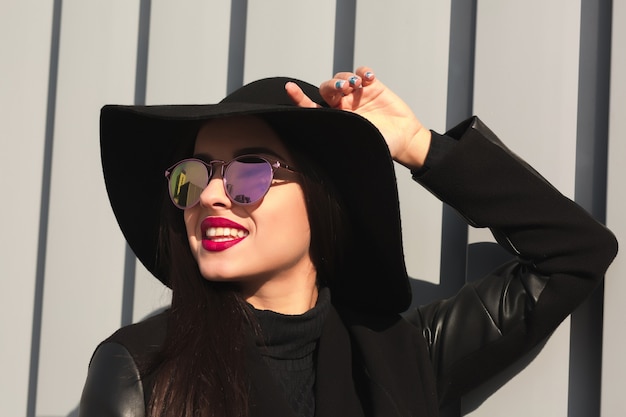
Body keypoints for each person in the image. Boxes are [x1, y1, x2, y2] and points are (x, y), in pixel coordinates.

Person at [79, 67, 617, 417]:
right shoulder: (141, 374)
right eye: (191, 177)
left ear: (322, 197)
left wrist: (416, 146)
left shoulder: (404, 355)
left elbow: (575, 251)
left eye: (249, 172)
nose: (212, 195)